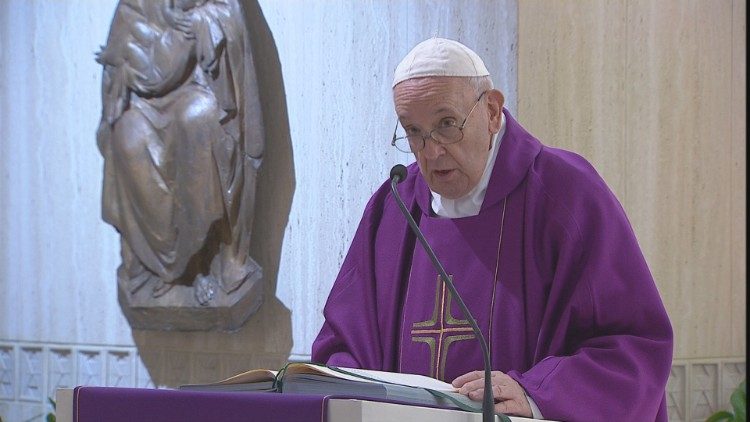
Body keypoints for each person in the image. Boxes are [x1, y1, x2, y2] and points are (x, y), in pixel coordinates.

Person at [311, 37, 673, 421]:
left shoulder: (566, 194)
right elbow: (343, 343)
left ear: (492, 111)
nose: (431, 151)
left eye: (446, 124)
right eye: (413, 131)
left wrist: (537, 393)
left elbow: (632, 346)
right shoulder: (394, 208)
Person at [96, 0, 263, 302]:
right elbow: (117, 55)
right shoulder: (134, 5)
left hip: (198, 88)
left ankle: (204, 260)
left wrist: (203, 22)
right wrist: (119, 77)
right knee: (126, 137)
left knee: (197, 119)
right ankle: (160, 266)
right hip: (145, 100)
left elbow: (231, 18)